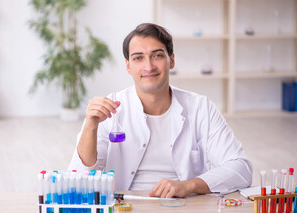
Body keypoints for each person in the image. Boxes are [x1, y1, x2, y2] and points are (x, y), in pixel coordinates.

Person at [68, 23, 252, 198]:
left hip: (185, 206)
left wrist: (189, 185)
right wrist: (90, 127)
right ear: (128, 66)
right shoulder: (108, 109)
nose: (149, 66)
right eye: (138, 58)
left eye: (157, 55)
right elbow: (78, 178)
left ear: (171, 60)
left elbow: (241, 169)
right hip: (124, 208)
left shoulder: (200, 107)